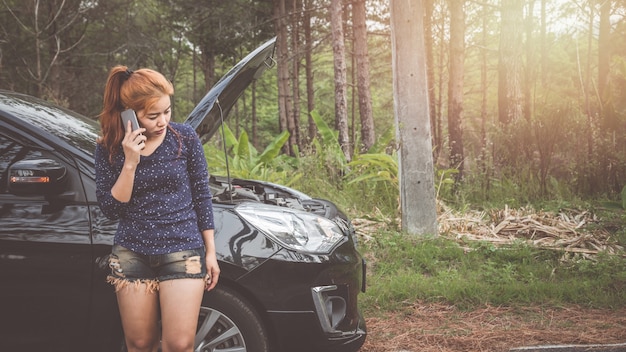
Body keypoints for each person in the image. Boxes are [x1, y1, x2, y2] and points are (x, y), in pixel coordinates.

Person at [95, 65, 220, 352]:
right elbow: (111, 209)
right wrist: (130, 161)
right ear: (130, 113)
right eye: (153, 116)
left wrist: (211, 252)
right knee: (139, 343)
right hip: (132, 251)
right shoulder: (108, 148)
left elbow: (202, 195)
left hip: (183, 248)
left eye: (167, 111)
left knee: (179, 344)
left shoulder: (185, 138)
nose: (163, 121)